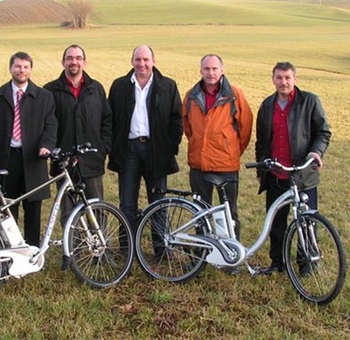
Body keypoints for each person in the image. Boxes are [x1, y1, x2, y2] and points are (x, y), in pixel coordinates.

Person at [255, 61, 331, 275]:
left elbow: (323, 132)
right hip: (276, 174)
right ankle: (277, 262)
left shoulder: (310, 101)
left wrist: (316, 152)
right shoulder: (267, 105)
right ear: (273, 80)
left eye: (287, 77)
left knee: (307, 222)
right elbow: (261, 141)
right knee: (276, 222)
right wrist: (262, 169)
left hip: (302, 174)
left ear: (295, 79)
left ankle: (306, 263)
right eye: (279, 77)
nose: (283, 82)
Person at [108, 45, 183, 235]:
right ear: (132, 61)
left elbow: (177, 120)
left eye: (146, 60)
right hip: (128, 151)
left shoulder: (168, 86)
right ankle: (127, 248)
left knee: (159, 203)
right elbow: (111, 120)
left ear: (153, 61)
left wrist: (169, 148)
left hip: (156, 151)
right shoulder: (119, 86)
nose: (142, 64)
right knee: (127, 204)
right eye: (138, 59)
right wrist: (113, 148)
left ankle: (161, 248)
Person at [0, 51, 57, 247]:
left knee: (33, 207)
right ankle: (11, 250)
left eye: (26, 67)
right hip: (7, 160)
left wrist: (46, 146)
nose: (21, 70)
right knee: (8, 208)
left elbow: (51, 125)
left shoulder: (44, 97)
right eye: (17, 66)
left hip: (33, 160)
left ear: (31, 70)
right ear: (10, 68)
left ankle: (32, 250)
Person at [182, 54, 253, 243]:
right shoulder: (191, 95)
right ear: (201, 71)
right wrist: (200, 143)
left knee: (229, 215)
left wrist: (232, 150)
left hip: (226, 166)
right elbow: (188, 127)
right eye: (207, 69)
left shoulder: (234, 95)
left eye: (214, 69)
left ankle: (230, 253)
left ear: (222, 70)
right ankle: (204, 252)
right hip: (199, 165)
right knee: (200, 212)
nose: (211, 73)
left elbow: (245, 127)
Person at [43, 44, 112, 227]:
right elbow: (45, 124)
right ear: (63, 62)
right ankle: (72, 252)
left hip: (91, 160)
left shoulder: (96, 89)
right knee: (68, 211)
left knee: (96, 210)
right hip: (64, 161)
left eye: (78, 58)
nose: (74, 62)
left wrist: (103, 147)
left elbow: (107, 120)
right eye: (70, 58)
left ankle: (99, 252)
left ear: (85, 62)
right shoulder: (50, 90)